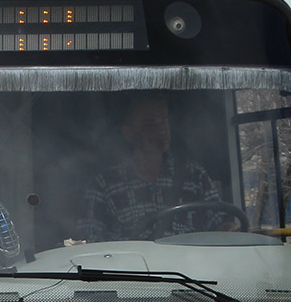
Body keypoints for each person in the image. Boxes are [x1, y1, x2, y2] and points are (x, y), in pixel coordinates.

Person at [75, 94, 227, 242]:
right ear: (129, 134)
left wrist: (228, 228)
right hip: (131, 266)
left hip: (190, 265)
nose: (161, 129)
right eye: (150, 124)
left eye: (164, 121)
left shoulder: (194, 175)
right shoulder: (104, 185)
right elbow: (89, 240)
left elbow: (220, 222)